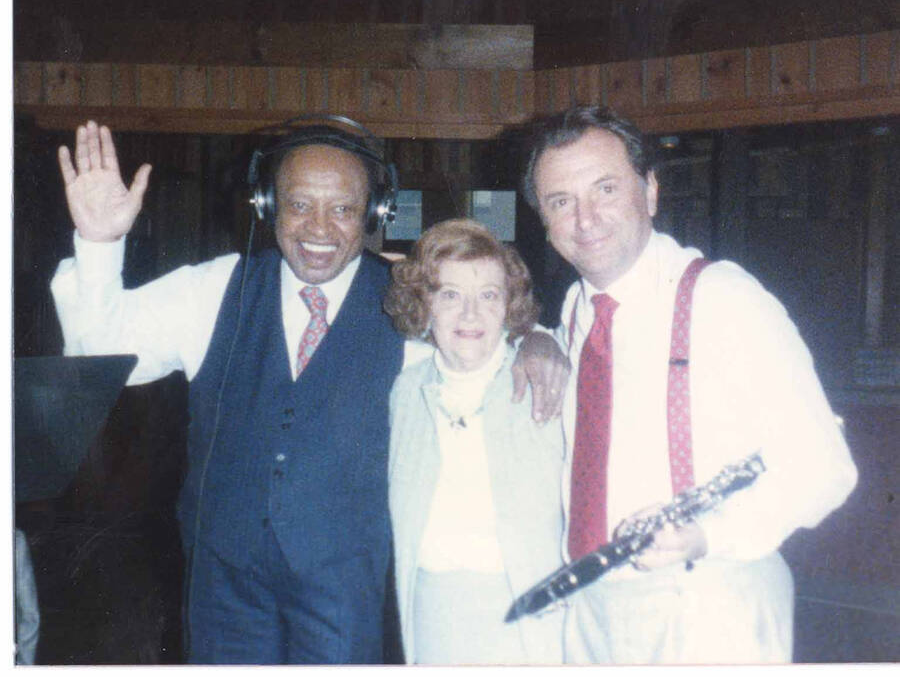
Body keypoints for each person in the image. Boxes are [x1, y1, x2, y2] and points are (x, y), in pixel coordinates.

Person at [50, 120, 567, 664]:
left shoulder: (410, 300)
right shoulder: (214, 288)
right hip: (223, 587)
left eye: (343, 209)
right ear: (268, 204)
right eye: (299, 204)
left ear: (373, 214)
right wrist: (99, 243)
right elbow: (99, 350)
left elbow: (482, 337)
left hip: (346, 594)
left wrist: (538, 339)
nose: (319, 228)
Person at [522, 106, 858, 664]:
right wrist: (534, 336)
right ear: (545, 220)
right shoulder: (577, 313)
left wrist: (710, 534)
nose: (586, 218)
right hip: (590, 610)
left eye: (605, 189)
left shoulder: (722, 299)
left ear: (650, 192)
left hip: (708, 598)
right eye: (561, 201)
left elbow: (826, 467)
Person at [383, 219, 565, 664]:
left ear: (509, 304)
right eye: (450, 295)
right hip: (431, 616)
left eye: (488, 295)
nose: (470, 315)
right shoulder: (403, 392)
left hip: (530, 622)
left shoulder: (549, 381)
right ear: (422, 304)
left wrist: (541, 339)